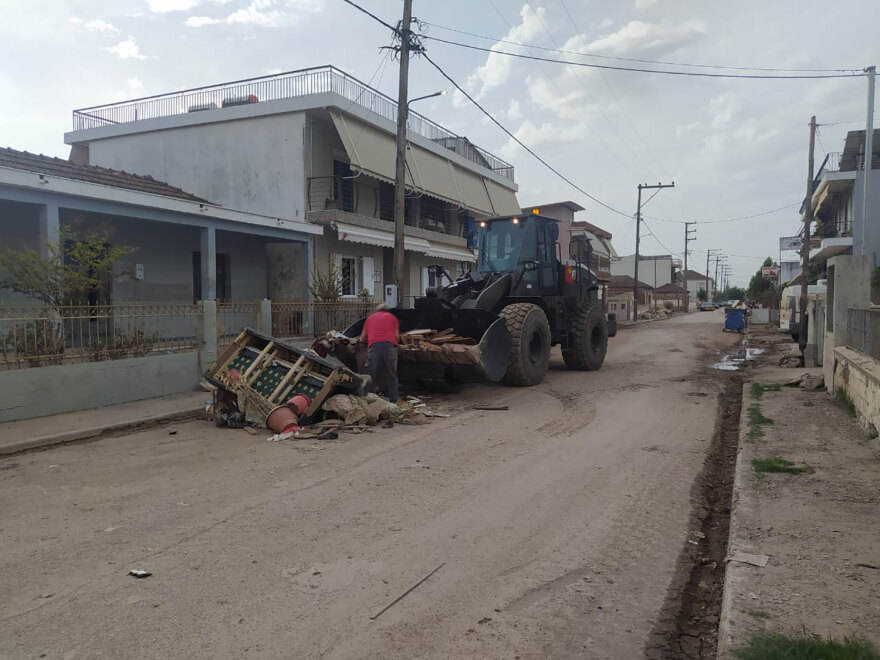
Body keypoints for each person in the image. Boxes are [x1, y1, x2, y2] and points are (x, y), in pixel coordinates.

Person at [361, 303, 400, 402]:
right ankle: (393, 400)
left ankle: (370, 398)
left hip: (374, 347)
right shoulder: (392, 317)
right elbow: (397, 336)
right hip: (390, 347)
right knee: (392, 373)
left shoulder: (370, 318)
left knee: (370, 373)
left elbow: (363, 338)